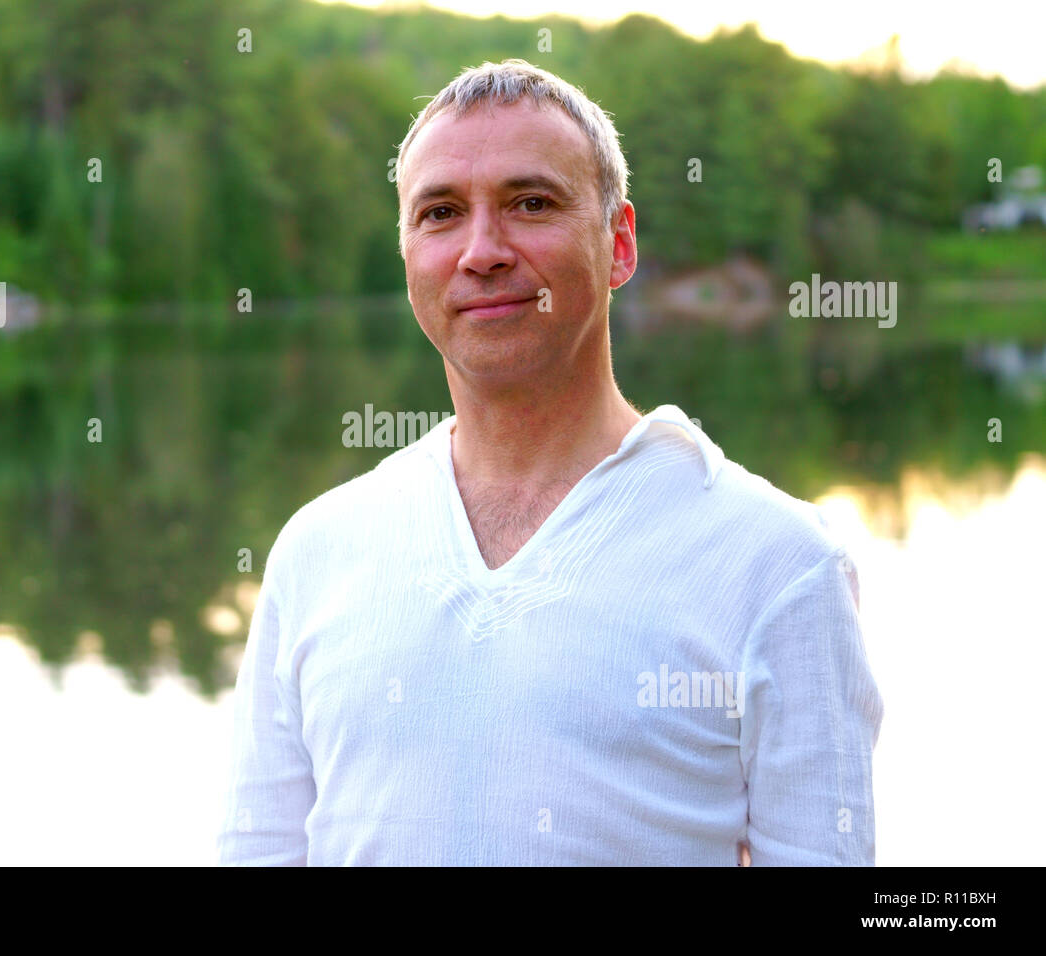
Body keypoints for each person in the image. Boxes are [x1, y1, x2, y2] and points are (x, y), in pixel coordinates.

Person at [216, 58, 884, 866]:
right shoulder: (316, 552)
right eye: (440, 214)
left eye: (531, 203)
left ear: (620, 243)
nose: (482, 251)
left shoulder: (778, 567)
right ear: (406, 256)